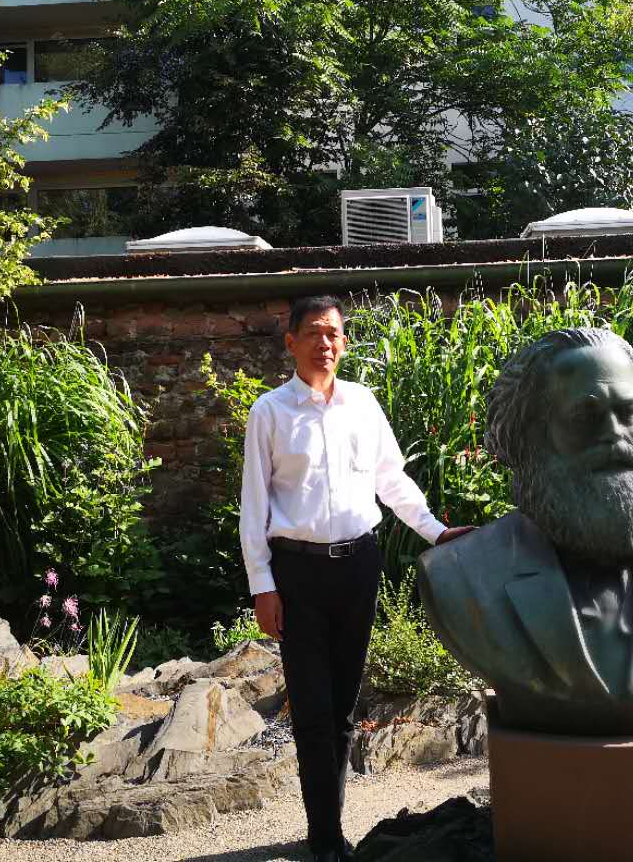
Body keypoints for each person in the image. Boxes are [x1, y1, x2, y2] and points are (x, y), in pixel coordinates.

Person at [418, 327, 633, 736]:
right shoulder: (460, 574)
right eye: (585, 416)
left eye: (627, 412)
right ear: (532, 436)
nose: (614, 433)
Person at [239, 295, 474, 862]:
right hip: (296, 574)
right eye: (314, 333)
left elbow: (392, 481)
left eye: (334, 334)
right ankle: (324, 839)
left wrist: (436, 531)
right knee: (312, 709)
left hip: (358, 567)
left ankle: (331, 829)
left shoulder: (362, 405)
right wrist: (262, 586)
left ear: (343, 343)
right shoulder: (270, 412)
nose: (325, 343)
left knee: (343, 709)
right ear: (291, 342)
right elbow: (254, 506)